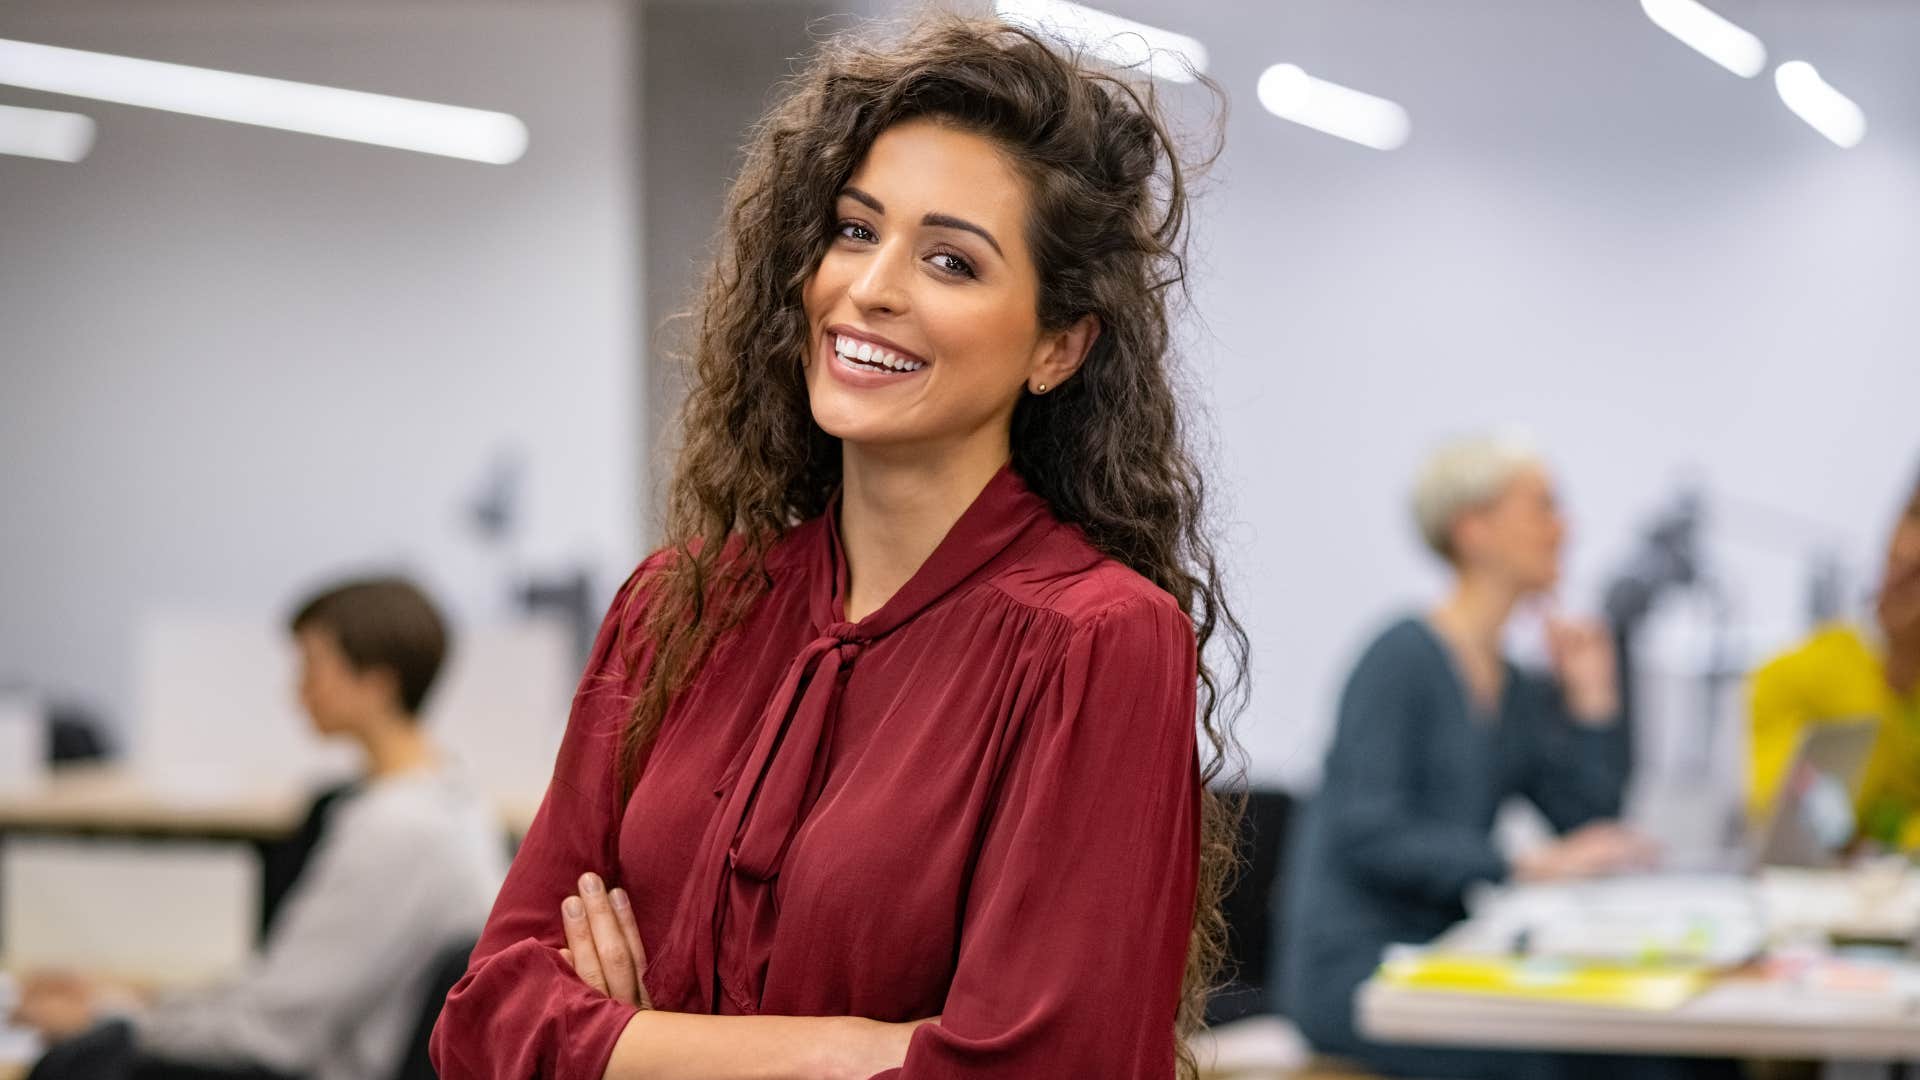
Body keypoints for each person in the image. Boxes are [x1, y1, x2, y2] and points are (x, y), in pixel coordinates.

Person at [430, 15, 1245, 1080]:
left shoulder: (1097, 643)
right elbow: (485, 1021)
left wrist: (627, 1045)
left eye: (951, 261)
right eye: (856, 231)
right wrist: (848, 1051)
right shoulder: (678, 606)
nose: (870, 288)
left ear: (1059, 345)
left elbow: (1045, 1069)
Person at [1279, 434, 1688, 1080]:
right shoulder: (1399, 657)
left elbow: (1587, 817)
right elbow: (1369, 831)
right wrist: (1522, 866)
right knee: (1555, 1067)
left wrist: (1595, 700)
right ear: (1474, 528)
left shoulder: (1515, 683)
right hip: (1359, 975)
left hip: (1444, 961)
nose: (1564, 526)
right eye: (1543, 507)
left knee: (1650, 1057)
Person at [15, 577, 508, 1080]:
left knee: (76, 1065)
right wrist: (133, 999)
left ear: (377, 682)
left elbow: (276, 1030)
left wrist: (111, 1018)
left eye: (314, 666)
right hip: (325, 1048)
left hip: (314, 1065)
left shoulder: (398, 830)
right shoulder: (450, 796)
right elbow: (286, 990)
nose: (298, 688)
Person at [1748, 464, 1920, 851]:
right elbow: (1792, 831)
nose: (1911, 547)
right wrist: (1896, 674)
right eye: (1913, 513)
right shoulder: (1792, 674)